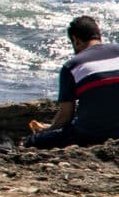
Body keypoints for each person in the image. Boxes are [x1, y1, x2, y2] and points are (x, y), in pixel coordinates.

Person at [28, 16, 119, 149]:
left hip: (92, 134)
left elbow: (65, 117)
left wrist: (48, 130)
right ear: (99, 36)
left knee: (34, 141)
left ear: (75, 40)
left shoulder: (72, 66)